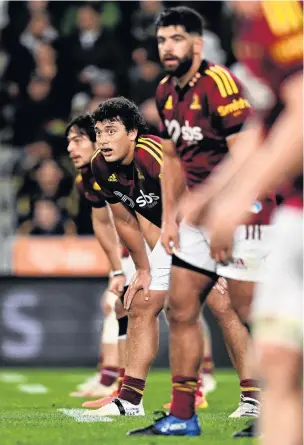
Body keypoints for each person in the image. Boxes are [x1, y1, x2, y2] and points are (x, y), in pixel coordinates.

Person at [128, 6, 275, 436]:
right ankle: (182, 414)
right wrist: (172, 215)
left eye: (176, 39)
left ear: (197, 43)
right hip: (196, 216)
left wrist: (226, 209)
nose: (168, 48)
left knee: (249, 310)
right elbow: (172, 157)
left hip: (243, 211)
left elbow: (246, 153)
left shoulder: (220, 85)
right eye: (162, 40)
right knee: (181, 306)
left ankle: (276, 405)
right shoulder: (165, 92)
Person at [81, 97, 260, 419]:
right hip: (180, 228)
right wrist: (144, 269)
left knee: (225, 303)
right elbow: (125, 221)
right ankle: (129, 401)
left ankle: (254, 399)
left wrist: (213, 265)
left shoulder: (153, 156)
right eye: (98, 132)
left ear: (133, 132)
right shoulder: (100, 165)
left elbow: (196, 198)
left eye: (111, 131)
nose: (103, 139)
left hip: (219, 216)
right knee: (142, 300)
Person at [180, 1, 303, 440]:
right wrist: (212, 193)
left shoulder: (281, 15)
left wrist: (240, 198)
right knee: (278, 359)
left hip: (293, 213)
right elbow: (263, 129)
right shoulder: (251, 25)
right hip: (293, 210)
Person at [66, 114, 132, 400]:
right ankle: (116, 383)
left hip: (156, 243)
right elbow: (103, 222)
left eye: (77, 140)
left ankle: (200, 380)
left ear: (97, 141)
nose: (70, 148)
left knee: (185, 310)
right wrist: (118, 268)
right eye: (69, 142)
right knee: (116, 306)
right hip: (132, 249)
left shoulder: (119, 167)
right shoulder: (87, 178)